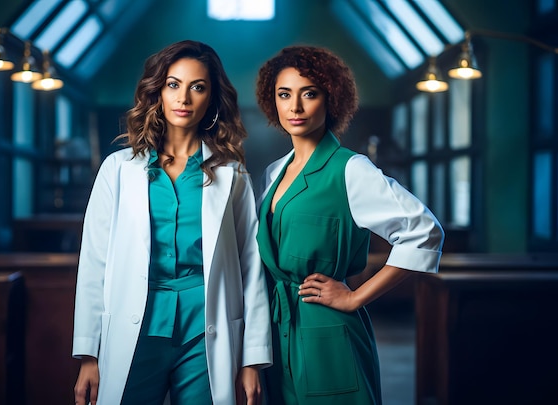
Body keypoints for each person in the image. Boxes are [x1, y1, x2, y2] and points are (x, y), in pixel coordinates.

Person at [72, 40, 272, 405]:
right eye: (173, 84)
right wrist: (89, 354)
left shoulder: (232, 174)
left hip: (206, 326)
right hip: (136, 324)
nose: (184, 98)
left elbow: (251, 265)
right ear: (158, 91)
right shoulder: (117, 170)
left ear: (211, 98)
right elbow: (94, 264)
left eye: (198, 87)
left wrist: (252, 360)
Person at [254, 45, 445, 404]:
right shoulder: (274, 172)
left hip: (327, 330)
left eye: (309, 94)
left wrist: (356, 297)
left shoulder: (351, 169)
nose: (295, 107)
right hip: (278, 328)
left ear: (331, 99)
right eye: (284, 94)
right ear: (272, 101)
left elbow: (424, 232)